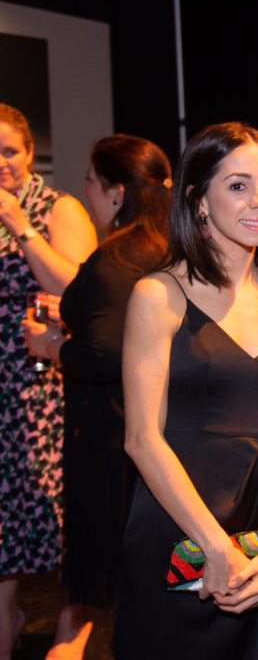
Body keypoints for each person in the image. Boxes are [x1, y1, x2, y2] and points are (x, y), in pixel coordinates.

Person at [113, 122, 258, 659]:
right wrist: (212, 545)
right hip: (176, 530)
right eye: (238, 185)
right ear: (198, 201)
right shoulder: (159, 296)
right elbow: (141, 439)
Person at [23, 134, 171, 659]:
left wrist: (54, 346)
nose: (83, 190)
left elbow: (108, 353)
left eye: (89, 180)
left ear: (114, 192)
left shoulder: (117, 258)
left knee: (129, 585)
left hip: (113, 442)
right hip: (148, 435)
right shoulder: (163, 248)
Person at [0, 103, 96, 660]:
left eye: (10, 150)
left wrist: (20, 226)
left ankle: (71, 625)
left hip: (46, 380)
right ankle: (7, 619)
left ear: (31, 153)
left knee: (61, 508)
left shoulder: (55, 207)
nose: (2, 162)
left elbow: (81, 292)